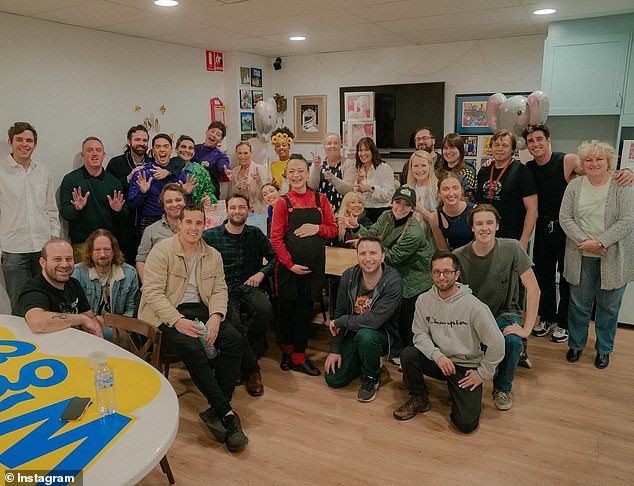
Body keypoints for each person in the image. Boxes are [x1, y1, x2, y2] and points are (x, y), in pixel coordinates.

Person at [138, 204, 248, 452]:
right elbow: (153, 293)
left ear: (204, 225)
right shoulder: (162, 251)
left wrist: (216, 317)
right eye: (189, 222)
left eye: (199, 223)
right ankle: (227, 413)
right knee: (192, 348)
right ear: (179, 223)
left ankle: (217, 408)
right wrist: (177, 320)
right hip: (165, 313)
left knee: (234, 340)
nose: (194, 228)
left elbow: (220, 289)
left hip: (200, 310)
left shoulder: (212, 255)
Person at [523, 123, 634, 343]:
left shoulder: (567, 160)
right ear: (526, 145)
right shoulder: (528, 167)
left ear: (548, 140)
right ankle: (546, 317)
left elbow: (601, 169)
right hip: (545, 228)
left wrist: (627, 171)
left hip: (569, 231)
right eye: (531, 141)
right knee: (543, 276)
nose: (535, 144)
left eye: (539, 139)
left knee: (568, 279)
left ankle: (563, 323)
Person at [393, 251, 504, 433]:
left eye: (447, 272)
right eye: (436, 272)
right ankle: (419, 397)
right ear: (431, 274)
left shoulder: (474, 306)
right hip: (439, 361)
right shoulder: (423, 300)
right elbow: (419, 334)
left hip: (465, 367)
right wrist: (438, 356)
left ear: (457, 274)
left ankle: (458, 393)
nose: (441, 277)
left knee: (466, 424)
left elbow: (497, 344)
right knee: (408, 354)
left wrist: (482, 374)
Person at [454, 204, 540, 411]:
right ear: (472, 228)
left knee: (511, 340)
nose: (484, 228)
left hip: (504, 312)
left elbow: (533, 289)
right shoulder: (458, 255)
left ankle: (502, 388)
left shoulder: (512, 248)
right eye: (479, 223)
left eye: (489, 223)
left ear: (497, 226)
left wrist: (527, 329)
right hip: (473, 316)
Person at [559, 140, 634, 369]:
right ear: (582, 163)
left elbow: (627, 220)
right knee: (579, 304)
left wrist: (600, 242)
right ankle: (576, 344)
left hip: (612, 256)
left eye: (599, 159)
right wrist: (586, 243)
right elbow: (565, 218)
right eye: (588, 159)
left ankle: (604, 349)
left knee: (609, 308)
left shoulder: (622, 185)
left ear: (609, 161)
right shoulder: (575, 186)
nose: (593, 163)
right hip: (581, 254)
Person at [347, 186, 433, 363]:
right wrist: (357, 228)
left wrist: (367, 247)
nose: (400, 208)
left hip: (414, 279)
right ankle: (394, 350)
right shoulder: (386, 216)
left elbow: (392, 256)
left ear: (412, 208)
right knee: (391, 315)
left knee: (406, 320)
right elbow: (372, 234)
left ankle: (410, 357)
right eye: (397, 202)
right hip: (394, 272)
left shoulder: (414, 233)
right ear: (392, 202)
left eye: (406, 205)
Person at [270, 154, 338, 376]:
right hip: (289, 271)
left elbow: (333, 229)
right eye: (292, 171)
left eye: (301, 171)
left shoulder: (321, 200)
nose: (297, 175)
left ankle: (299, 357)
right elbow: (276, 239)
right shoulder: (282, 202)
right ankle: (288, 354)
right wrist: (290, 265)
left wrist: (316, 228)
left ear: (308, 174)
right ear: (286, 175)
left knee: (305, 313)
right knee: (287, 313)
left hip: (314, 270)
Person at [203, 193, 277, 396]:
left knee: (265, 310)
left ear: (249, 209)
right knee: (234, 325)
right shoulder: (210, 236)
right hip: (223, 291)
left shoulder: (255, 234)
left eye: (241, 207)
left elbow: (273, 258)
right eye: (233, 207)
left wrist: (261, 274)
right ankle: (252, 370)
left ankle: (240, 357)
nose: (237, 211)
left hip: (249, 286)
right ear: (227, 210)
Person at [324, 236, 403, 402]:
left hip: (380, 335)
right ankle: (366, 360)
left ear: (382, 256)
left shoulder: (393, 281)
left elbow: (374, 320)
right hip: (354, 332)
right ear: (357, 256)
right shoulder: (349, 275)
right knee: (334, 379)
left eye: (373, 253)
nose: (368, 258)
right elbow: (339, 311)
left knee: (366, 336)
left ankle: (371, 377)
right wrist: (335, 349)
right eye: (363, 253)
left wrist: (342, 322)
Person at [1, 122, 60, 315]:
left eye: (29, 140)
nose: (24, 144)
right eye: (19, 139)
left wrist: (53, 237)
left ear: (35, 144)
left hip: (43, 249)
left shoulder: (42, 171)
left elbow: (51, 208)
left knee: (46, 301)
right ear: (11, 142)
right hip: (13, 250)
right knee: (20, 306)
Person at [17, 237, 103, 337]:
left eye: (69, 259)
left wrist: (96, 329)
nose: (64, 264)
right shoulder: (32, 289)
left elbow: (90, 317)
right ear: (43, 263)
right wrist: (81, 319)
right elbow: (37, 322)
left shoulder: (74, 283)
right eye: (57, 259)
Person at [59, 137, 129, 262]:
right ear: (83, 155)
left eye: (98, 150)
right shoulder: (70, 180)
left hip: (109, 244)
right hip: (82, 245)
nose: (95, 153)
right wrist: (77, 209)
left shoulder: (113, 182)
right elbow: (65, 213)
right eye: (90, 150)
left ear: (103, 155)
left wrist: (117, 210)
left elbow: (124, 215)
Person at [475, 130, 537, 250]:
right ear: (491, 147)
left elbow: (532, 210)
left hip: (512, 238)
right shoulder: (483, 171)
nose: (500, 149)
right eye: (496, 145)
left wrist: (524, 240)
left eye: (505, 145)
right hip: (486, 235)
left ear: (513, 149)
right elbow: (479, 204)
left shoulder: (522, 172)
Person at [128, 133, 191, 235]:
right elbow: (131, 204)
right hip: (151, 220)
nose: (162, 150)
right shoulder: (143, 174)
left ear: (171, 150)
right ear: (152, 151)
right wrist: (142, 192)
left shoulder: (181, 174)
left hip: (177, 219)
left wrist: (188, 193)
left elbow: (188, 206)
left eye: (166, 146)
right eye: (158, 147)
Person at [106, 125, 150, 262]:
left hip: (146, 224)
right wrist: (128, 179)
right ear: (129, 141)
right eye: (137, 140)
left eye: (145, 140)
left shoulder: (152, 163)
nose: (141, 144)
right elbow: (109, 188)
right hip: (122, 226)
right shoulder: (116, 163)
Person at [72, 229, 139, 318]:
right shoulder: (77, 273)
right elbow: (73, 309)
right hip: (87, 326)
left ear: (114, 251)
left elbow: (131, 309)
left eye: (107, 249)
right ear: (90, 252)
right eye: (97, 250)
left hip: (118, 327)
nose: (102, 254)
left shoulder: (130, 273)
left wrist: (117, 328)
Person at [135, 183, 186, 283]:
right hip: (161, 286)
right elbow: (141, 261)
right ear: (163, 205)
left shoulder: (195, 228)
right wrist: (147, 286)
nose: (175, 204)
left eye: (178, 200)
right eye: (169, 201)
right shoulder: (151, 231)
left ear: (185, 201)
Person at [308, 132, 356, 213]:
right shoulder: (318, 162)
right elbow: (312, 187)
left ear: (340, 146)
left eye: (336, 143)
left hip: (341, 210)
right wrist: (316, 167)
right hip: (320, 210)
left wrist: (333, 179)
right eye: (329, 143)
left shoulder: (348, 163)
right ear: (324, 146)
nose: (332, 146)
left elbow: (349, 190)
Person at [429, 172, 475, 251]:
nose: (451, 193)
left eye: (455, 188)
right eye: (445, 189)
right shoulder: (434, 217)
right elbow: (443, 249)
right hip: (453, 258)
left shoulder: (475, 211)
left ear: (461, 191)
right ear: (439, 193)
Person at [353, 137, 395, 223]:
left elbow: (389, 195)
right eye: (360, 150)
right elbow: (356, 192)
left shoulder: (384, 168)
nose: (363, 153)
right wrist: (358, 181)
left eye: (366, 150)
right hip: (363, 210)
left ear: (373, 151)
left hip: (381, 211)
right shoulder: (360, 167)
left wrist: (371, 188)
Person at [227, 141, 270, 214]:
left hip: (258, 212)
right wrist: (237, 188)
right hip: (240, 213)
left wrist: (259, 182)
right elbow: (230, 196)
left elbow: (266, 195)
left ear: (251, 154)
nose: (243, 156)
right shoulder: (234, 171)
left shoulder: (260, 169)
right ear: (236, 154)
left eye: (246, 153)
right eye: (240, 153)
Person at [404, 150, 438, 241]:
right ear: (411, 168)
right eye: (415, 166)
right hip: (410, 239)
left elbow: (439, 221)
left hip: (432, 241)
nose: (419, 170)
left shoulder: (438, 188)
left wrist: (421, 210)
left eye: (423, 165)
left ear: (430, 166)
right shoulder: (405, 189)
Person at [177, 134, 216, 209]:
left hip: (197, 214)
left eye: (190, 148)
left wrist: (209, 199)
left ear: (194, 152)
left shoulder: (201, 171)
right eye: (183, 147)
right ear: (176, 149)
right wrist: (183, 192)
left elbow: (210, 193)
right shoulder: (167, 170)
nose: (187, 150)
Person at [193, 121, 230, 198]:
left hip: (211, 196)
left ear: (221, 139)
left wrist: (226, 170)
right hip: (192, 194)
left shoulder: (220, 156)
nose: (214, 135)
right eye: (212, 131)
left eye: (218, 135)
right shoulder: (193, 149)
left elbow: (223, 165)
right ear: (207, 131)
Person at [438, 133, 476, 202]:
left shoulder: (467, 171)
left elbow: (466, 198)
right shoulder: (440, 170)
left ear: (460, 150)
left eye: (452, 147)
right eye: (445, 148)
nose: (448, 151)